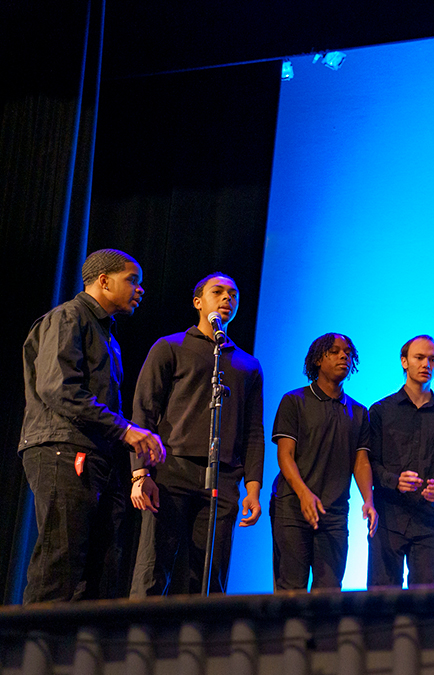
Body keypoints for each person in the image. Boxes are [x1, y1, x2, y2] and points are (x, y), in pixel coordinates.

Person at [19, 249, 163, 603]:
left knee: (100, 570)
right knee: (61, 564)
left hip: (97, 455)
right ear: (104, 281)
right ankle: (37, 639)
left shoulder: (107, 336)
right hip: (63, 449)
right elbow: (59, 389)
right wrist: (125, 429)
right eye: (132, 280)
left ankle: (81, 640)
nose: (140, 289)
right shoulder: (68, 317)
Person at [129, 272, 265, 594]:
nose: (227, 298)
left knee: (209, 577)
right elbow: (144, 411)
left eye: (233, 293)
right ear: (198, 302)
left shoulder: (248, 364)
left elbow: (253, 431)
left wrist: (253, 489)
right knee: (153, 569)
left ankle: (201, 630)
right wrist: (140, 473)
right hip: (171, 471)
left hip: (223, 477)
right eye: (218, 291)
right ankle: (140, 628)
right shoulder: (170, 347)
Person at [271, 333, 376, 591]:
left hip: (334, 512)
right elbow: (285, 455)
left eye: (348, 352)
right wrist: (304, 494)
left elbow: (361, 462)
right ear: (318, 359)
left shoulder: (358, 412)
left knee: (329, 591)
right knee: (291, 588)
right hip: (292, 506)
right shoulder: (294, 401)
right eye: (335, 351)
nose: (344, 356)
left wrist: (368, 500)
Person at [366, 335, 434, 588]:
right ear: (404, 361)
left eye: (433, 359)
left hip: (430, 522)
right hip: (388, 520)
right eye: (419, 357)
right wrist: (395, 481)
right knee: (382, 600)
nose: (426, 364)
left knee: (429, 604)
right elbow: (368, 463)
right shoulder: (381, 411)